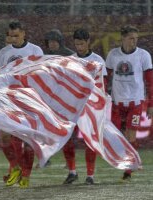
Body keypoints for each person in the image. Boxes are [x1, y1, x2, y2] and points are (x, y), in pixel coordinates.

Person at [0, 21, 44, 188]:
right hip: (9, 98)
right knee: (5, 137)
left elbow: (41, 75)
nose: (14, 39)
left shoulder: (35, 51)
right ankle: (15, 167)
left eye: (17, 35)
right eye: (11, 36)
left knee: (28, 139)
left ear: (24, 33)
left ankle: (26, 176)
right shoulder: (3, 53)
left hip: (29, 98)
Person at [105, 25, 153, 181]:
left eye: (136, 38)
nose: (134, 41)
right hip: (117, 103)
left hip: (136, 103)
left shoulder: (143, 55)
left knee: (131, 135)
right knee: (116, 136)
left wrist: (151, 103)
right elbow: (105, 79)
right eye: (131, 38)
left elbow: (150, 81)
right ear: (123, 38)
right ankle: (127, 160)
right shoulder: (113, 55)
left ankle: (129, 169)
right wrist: (103, 96)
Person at [62, 28, 107, 185]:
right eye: (76, 44)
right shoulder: (71, 60)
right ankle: (72, 171)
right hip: (73, 105)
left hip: (90, 106)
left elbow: (103, 85)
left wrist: (102, 106)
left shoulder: (98, 60)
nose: (79, 47)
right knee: (66, 138)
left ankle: (90, 175)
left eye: (81, 44)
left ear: (88, 41)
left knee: (90, 140)